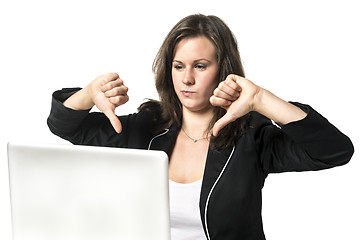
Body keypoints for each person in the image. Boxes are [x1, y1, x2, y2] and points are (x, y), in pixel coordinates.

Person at [47, 14, 354, 240]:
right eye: (178, 66)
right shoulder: (146, 128)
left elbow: (334, 151)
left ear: (224, 69)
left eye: (201, 66)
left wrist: (262, 99)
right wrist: (88, 94)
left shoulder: (251, 139)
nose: (187, 79)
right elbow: (66, 127)